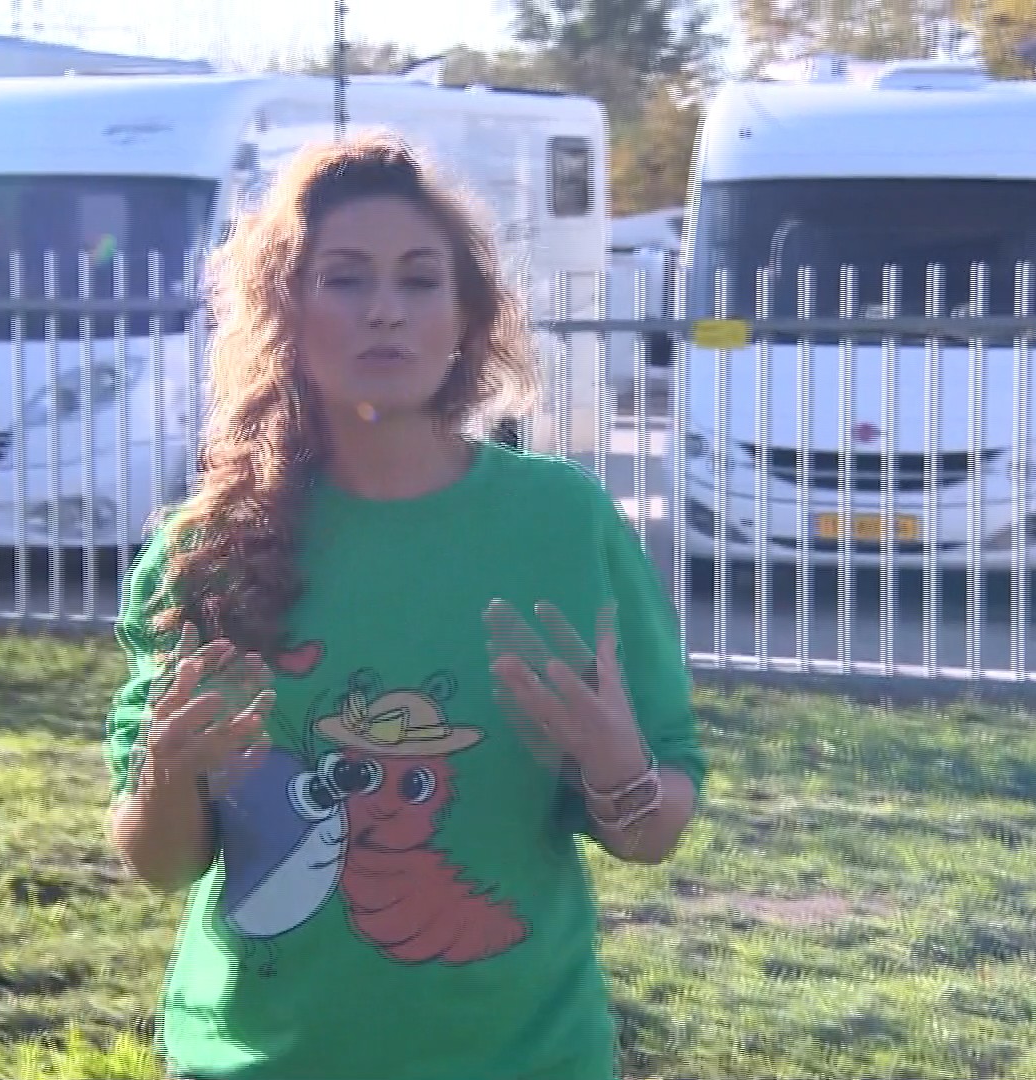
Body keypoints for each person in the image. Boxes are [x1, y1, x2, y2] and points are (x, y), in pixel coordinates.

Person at [103, 132, 706, 1080]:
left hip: (522, 1059)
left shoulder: (562, 524)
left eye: (420, 280)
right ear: (285, 312)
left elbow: (654, 832)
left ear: (467, 316)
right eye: (344, 279)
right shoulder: (208, 549)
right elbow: (161, 863)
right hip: (259, 1061)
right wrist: (167, 774)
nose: (385, 309)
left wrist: (618, 769)